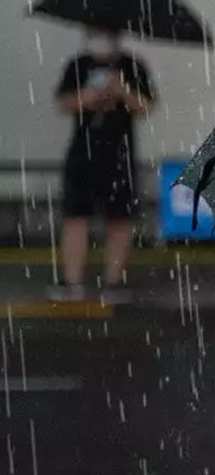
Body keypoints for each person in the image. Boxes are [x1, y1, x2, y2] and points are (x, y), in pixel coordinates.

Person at [50, 28, 155, 302]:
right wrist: (89, 96)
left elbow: (146, 106)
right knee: (76, 217)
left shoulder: (132, 66)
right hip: (82, 153)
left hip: (119, 153)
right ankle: (72, 281)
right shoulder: (78, 65)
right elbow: (64, 102)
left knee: (120, 218)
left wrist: (123, 92)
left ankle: (113, 282)